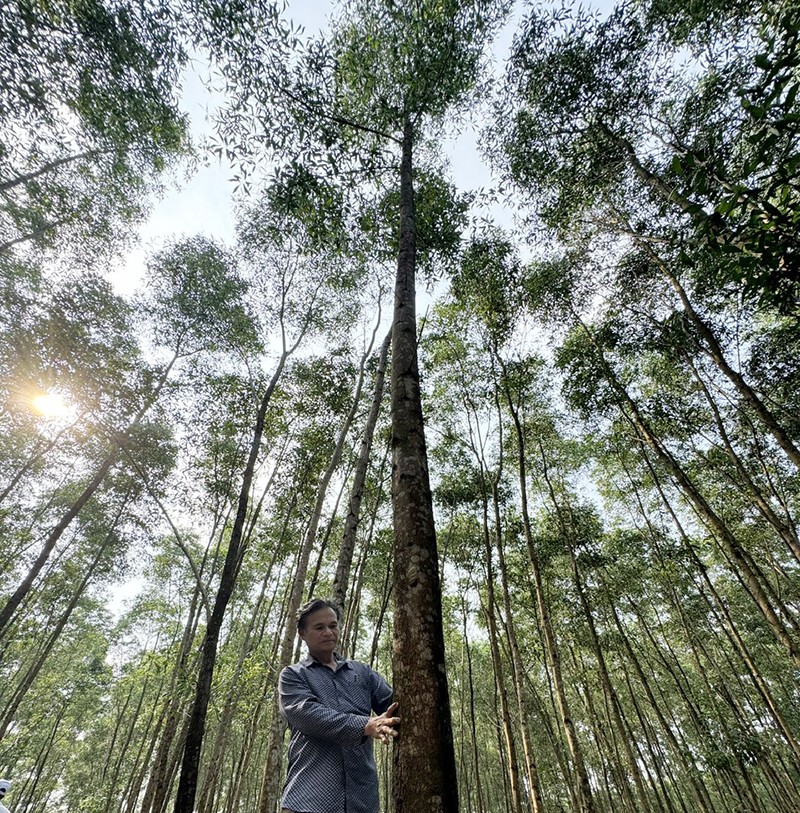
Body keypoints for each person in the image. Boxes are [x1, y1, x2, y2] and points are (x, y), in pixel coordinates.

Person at [278, 598, 399, 813]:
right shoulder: (293, 676)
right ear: (302, 633)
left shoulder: (363, 673)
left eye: (333, 626)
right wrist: (364, 725)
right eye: (319, 627)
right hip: (308, 801)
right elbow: (308, 715)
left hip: (362, 801)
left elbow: (394, 707)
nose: (328, 632)